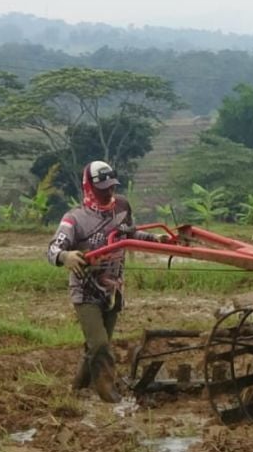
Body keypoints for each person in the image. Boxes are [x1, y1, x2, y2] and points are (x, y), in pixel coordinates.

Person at [46, 160, 165, 402]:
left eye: (112, 186)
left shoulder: (121, 207)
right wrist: (66, 256)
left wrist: (156, 239)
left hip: (113, 291)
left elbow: (130, 233)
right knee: (100, 345)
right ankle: (110, 397)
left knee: (95, 346)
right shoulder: (74, 219)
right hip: (86, 292)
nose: (109, 192)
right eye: (103, 188)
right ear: (89, 188)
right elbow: (52, 250)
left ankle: (77, 390)